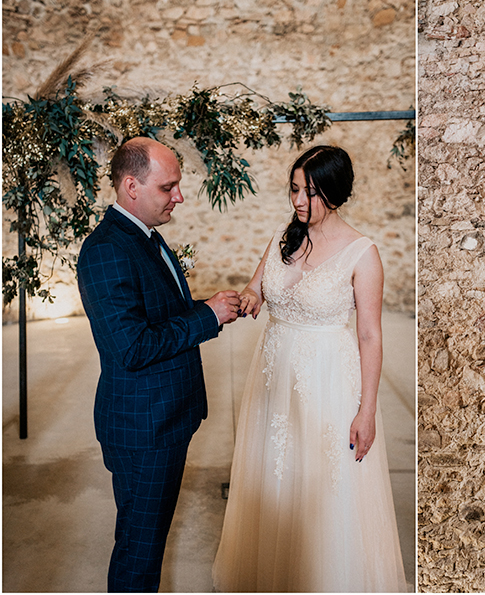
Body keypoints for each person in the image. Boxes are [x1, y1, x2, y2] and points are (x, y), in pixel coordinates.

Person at [212, 145, 407, 592]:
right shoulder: (286, 234)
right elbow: (257, 287)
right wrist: (251, 298)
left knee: (322, 489)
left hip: (328, 384)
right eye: (295, 189)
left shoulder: (363, 254)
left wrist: (367, 411)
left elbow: (370, 336)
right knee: (275, 480)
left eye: (311, 193)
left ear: (335, 193)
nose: (299, 201)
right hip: (273, 381)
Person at [77, 137, 242, 592]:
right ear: (131, 186)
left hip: (165, 420)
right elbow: (131, 348)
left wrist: (205, 311)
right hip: (143, 429)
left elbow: (162, 314)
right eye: (168, 187)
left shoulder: (144, 235)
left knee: (146, 542)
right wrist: (206, 317)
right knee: (139, 551)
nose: (180, 196)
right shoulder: (107, 249)